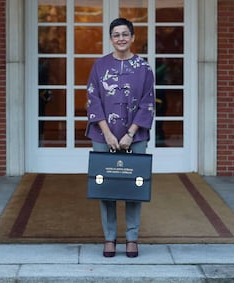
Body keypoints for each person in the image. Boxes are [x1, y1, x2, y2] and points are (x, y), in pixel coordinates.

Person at [85, 18, 155, 258]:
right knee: (106, 186)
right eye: (116, 34)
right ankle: (109, 237)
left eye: (125, 34)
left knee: (134, 185)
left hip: (134, 137)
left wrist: (130, 133)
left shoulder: (144, 68)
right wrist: (106, 133)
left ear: (133, 37)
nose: (121, 38)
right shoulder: (99, 66)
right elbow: (93, 100)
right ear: (111, 38)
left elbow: (147, 103)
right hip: (103, 135)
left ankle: (132, 237)